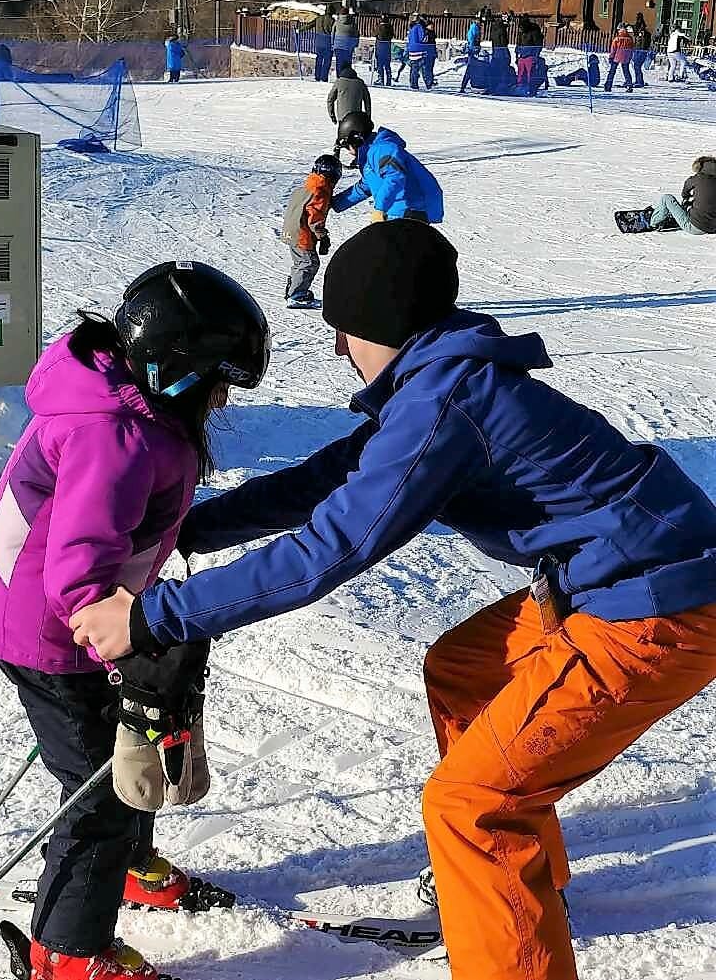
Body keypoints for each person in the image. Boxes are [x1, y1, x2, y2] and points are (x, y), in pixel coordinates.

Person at [69, 220, 716, 980]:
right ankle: (516, 885)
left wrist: (151, 615)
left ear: (379, 324)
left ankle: (503, 913)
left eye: (344, 330)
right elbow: (324, 480)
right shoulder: (442, 382)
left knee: (470, 803)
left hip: (656, 607)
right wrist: (187, 529)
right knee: (463, 668)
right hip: (614, 577)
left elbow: (329, 549)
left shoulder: (445, 406)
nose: (341, 349)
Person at [0, 261, 270, 980]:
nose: (223, 398)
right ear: (177, 371)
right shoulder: (119, 437)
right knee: (100, 787)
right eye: (218, 383)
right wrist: (122, 639)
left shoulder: (122, 402)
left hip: (51, 611)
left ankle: (126, 866)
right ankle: (68, 950)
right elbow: (77, 564)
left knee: (125, 738)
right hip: (50, 629)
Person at [330, 112, 443, 223]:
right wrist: (334, 203)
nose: (349, 152)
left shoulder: (382, 149)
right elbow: (364, 187)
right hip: (396, 213)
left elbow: (395, 176)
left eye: (346, 146)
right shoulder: (370, 157)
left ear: (356, 139)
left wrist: (380, 208)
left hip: (408, 212)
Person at [281, 154, 342, 308]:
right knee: (309, 263)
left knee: (300, 262)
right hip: (301, 233)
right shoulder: (320, 191)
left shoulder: (308, 186)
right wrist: (322, 235)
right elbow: (314, 217)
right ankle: (297, 295)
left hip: (291, 230)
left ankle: (293, 290)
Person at [647, 154, 716, 234]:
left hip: (695, 227)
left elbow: (686, 189)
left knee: (667, 198)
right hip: (713, 228)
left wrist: (686, 197)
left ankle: (653, 223)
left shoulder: (697, 178)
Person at [515, 13, 543, 93]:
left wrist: (536, 56)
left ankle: (530, 89)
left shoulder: (534, 32)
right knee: (520, 74)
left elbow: (538, 45)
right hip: (522, 55)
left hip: (530, 56)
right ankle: (520, 88)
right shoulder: (522, 32)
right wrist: (517, 54)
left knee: (529, 74)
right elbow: (518, 43)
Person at [604, 23, 634, 92]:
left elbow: (613, 49)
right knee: (626, 71)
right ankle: (629, 85)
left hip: (616, 56)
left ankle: (608, 85)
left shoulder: (617, 39)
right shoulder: (630, 39)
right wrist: (629, 57)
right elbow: (631, 49)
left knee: (612, 71)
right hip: (626, 58)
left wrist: (611, 57)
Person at [332, 7, 359, 77]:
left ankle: (339, 78)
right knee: (348, 62)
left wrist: (332, 43)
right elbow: (356, 34)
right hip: (348, 46)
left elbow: (333, 33)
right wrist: (355, 44)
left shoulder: (337, 22)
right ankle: (347, 77)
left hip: (338, 46)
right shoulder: (352, 22)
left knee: (339, 63)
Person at [314, 3, 336, 82]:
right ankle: (324, 77)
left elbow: (310, 25)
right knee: (327, 61)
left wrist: (299, 30)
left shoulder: (318, 18)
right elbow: (335, 31)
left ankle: (317, 76)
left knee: (319, 59)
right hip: (328, 42)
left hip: (318, 42)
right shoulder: (332, 21)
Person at [632, 12, 652, 87]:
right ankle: (639, 80)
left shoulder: (643, 32)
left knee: (637, 66)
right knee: (636, 66)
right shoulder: (641, 29)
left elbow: (641, 41)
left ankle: (640, 81)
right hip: (639, 49)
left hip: (640, 49)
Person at [375, 14, 394, 85]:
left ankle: (381, 79)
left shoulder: (379, 27)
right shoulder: (390, 27)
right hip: (387, 47)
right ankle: (388, 80)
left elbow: (374, 34)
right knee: (387, 65)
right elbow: (392, 35)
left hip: (380, 47)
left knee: (380, 65)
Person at [423, 20, 438, 88]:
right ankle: (428, 82)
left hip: (432, 52)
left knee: (431, 68)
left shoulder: (432, 33)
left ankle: (430, 80)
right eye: (430, 25)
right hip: (427, 52)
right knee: (427, 68)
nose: (432, 26)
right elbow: (424, 42)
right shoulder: (426, 32)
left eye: (432, 25)